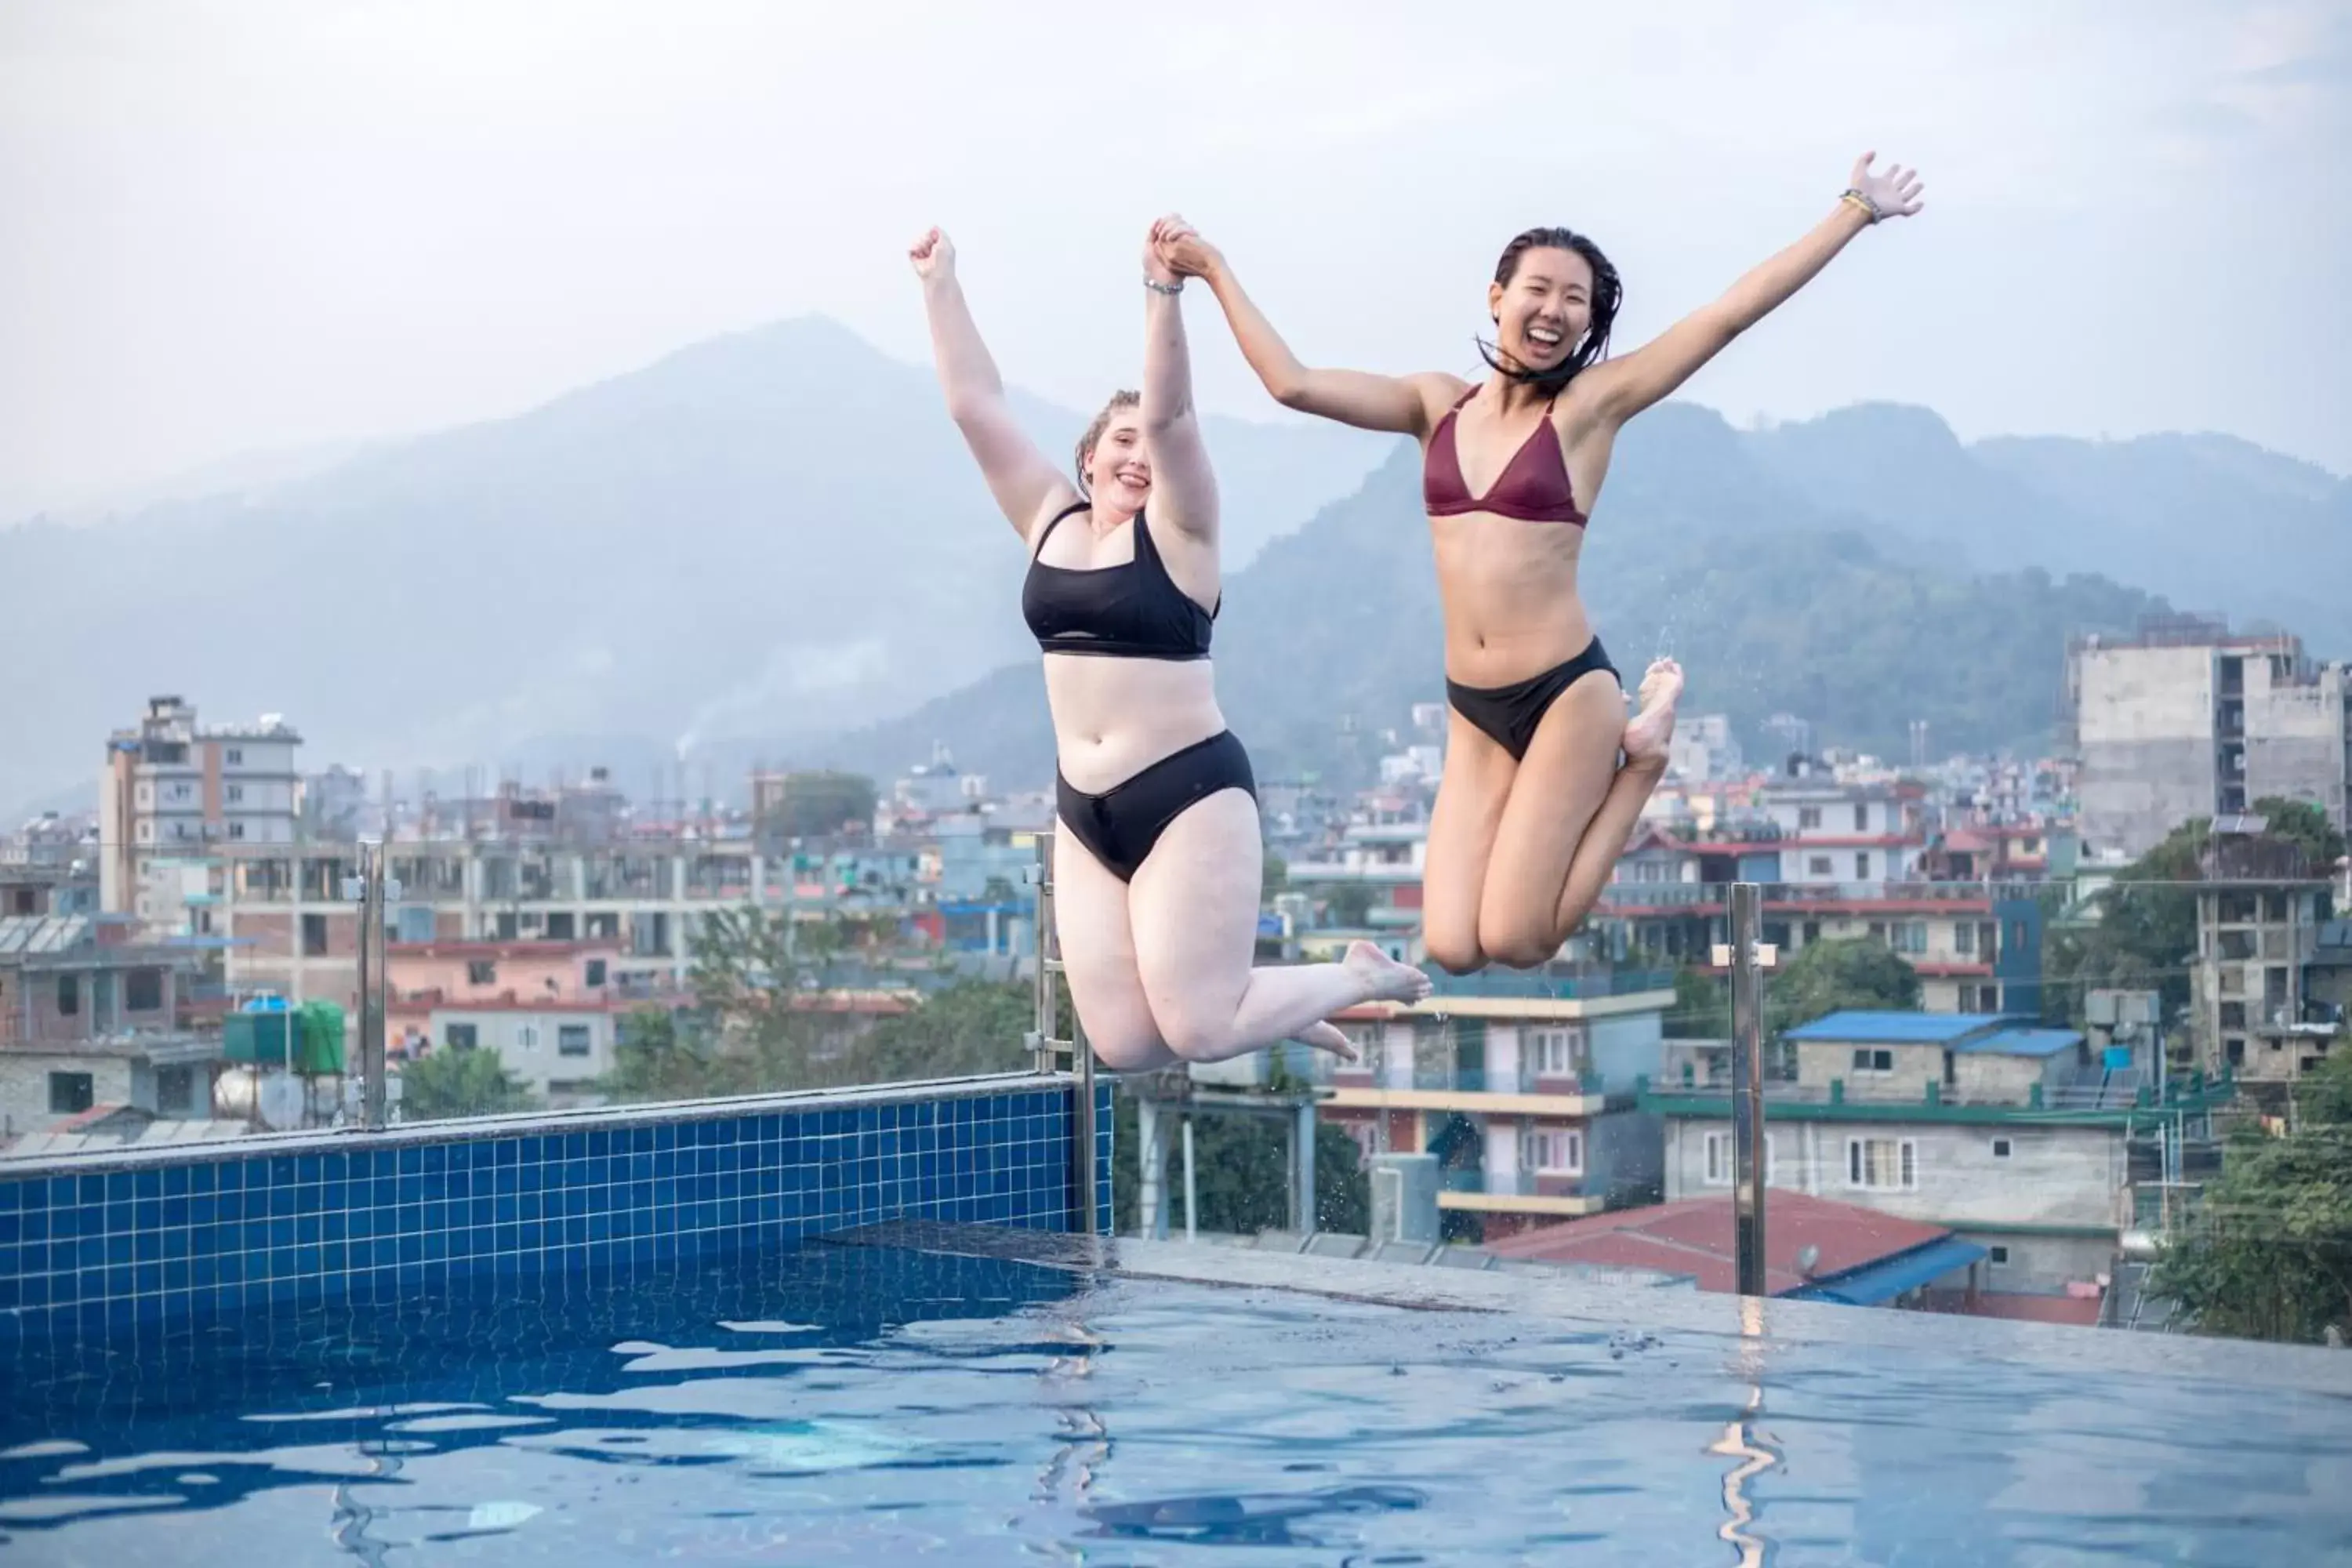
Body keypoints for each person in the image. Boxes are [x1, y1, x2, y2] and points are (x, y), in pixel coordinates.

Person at [1160, 154, 1926, 972]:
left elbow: (1727, 315)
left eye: (1576, 300)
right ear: (1498, 297)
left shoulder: (1590, 408)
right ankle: (1627, 760)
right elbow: (1294, 385)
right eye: (1539, 288)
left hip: (1566, 693)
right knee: (1452, 946)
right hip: (1472, 706)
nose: (1555, 310)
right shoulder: (1434, 404)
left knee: (1519, 939)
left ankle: (1645, 761)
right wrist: (1211, 270)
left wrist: (1855, 209)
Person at [910, 216, 1432, 1067]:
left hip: (1188, 792)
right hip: (1084, 808)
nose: (1139, 455)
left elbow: (1174, 412)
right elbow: (975, 406)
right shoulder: (1048, 521)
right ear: (1086, 459)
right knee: (1125, 1043)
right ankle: (1264, 999)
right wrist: (941, 286)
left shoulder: (1184, 533)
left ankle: (1351, 976)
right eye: (1121, 440)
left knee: (1198, 1027)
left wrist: (1162, 294)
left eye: (1147, 444)